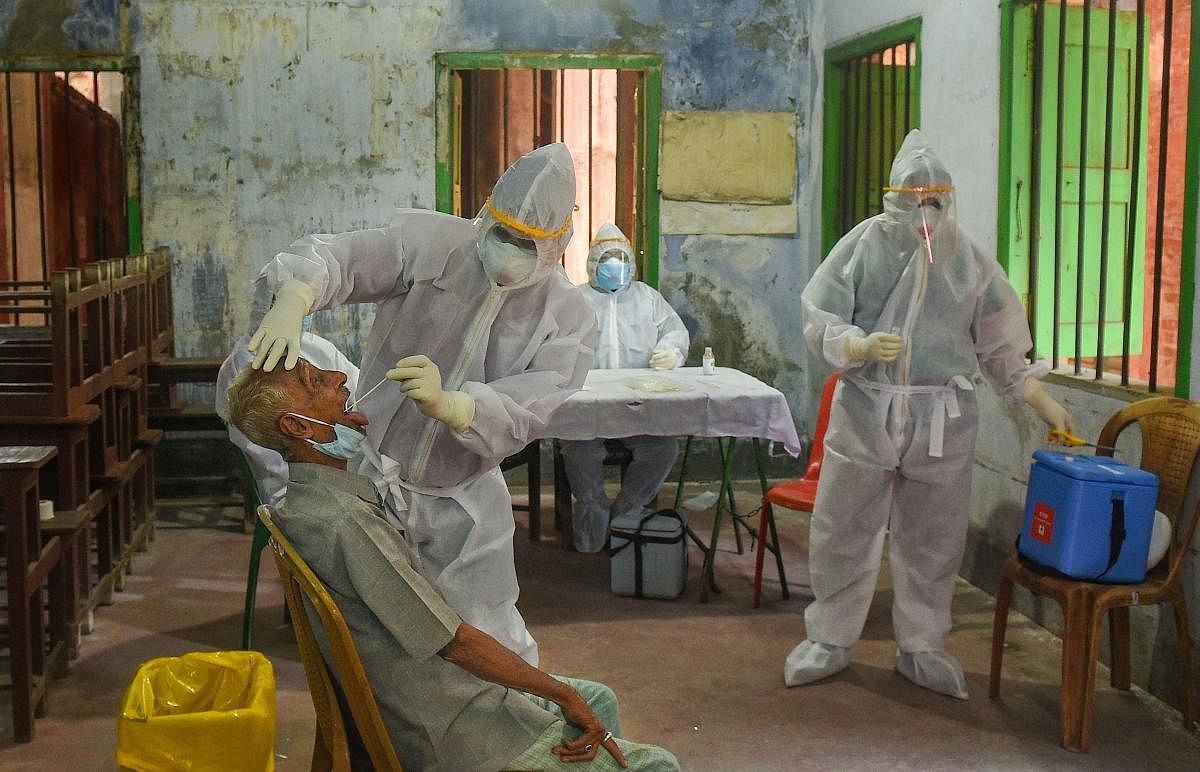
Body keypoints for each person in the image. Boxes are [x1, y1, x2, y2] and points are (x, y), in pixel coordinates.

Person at [224, 358, 679, 771]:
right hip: (454, 733)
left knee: (599, 699)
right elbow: (454, 644)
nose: (342, 379)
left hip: (434, 696)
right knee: (656, 763)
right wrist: (561, 694)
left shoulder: (303, 504)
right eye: (319, 382)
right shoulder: (345, 523)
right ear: (297, 427)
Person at [246, 143, 597, 666]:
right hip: (372, 476)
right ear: (485, 213)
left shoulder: (567, 317)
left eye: (527, 243)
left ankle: (499, 733)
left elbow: (534, 403)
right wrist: (297, 293)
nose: (509, 249)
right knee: (375, 642)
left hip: (464, 503)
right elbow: (342, 258)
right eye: (502, 233)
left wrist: (460, 408)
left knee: (487, 642)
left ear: (557, 245)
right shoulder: (432, 246)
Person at [787, 130, 1074, 699]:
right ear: (891, 198)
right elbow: (819, 313)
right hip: (867, 408)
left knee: (933, 537)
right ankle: (830, 637)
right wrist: (859, 347)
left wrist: (1045, 403)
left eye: (934, 200)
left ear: (948, 200)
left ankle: (922, 645)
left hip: (942, 418)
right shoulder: (863, 245)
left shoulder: (968, 260)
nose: (923, 211)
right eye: (912, 199)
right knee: (843, 525)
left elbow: (1001, 348)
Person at [559, 224, 690, 552]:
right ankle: (593, 511)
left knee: (663, 449)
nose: (613, 266)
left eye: (620, 259)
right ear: (593, 263)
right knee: (578, 448)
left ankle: (627, 510)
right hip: (589, 403)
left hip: (638, 403)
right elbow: (554, 341)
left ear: (631, 263)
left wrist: (671, 352)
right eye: (607, 259)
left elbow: (674, 331)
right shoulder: (575, 299)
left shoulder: (647, 298)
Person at [216, 278, 359, 504]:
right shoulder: (243, 367)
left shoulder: (315, 346)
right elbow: (270, 451)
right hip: (292, 485)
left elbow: (357, 389)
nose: (339, 378)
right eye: (316, 381)